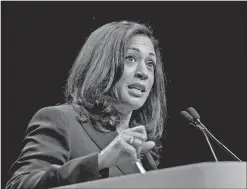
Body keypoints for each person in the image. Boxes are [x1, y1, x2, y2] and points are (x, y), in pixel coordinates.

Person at [5, 20, 167, 189]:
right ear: (102, 64)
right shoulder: (62, 120)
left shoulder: (144, 153)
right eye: (130, 58)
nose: (143, 73)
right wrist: (100, 162)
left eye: (150, 64)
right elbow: (20, 185)